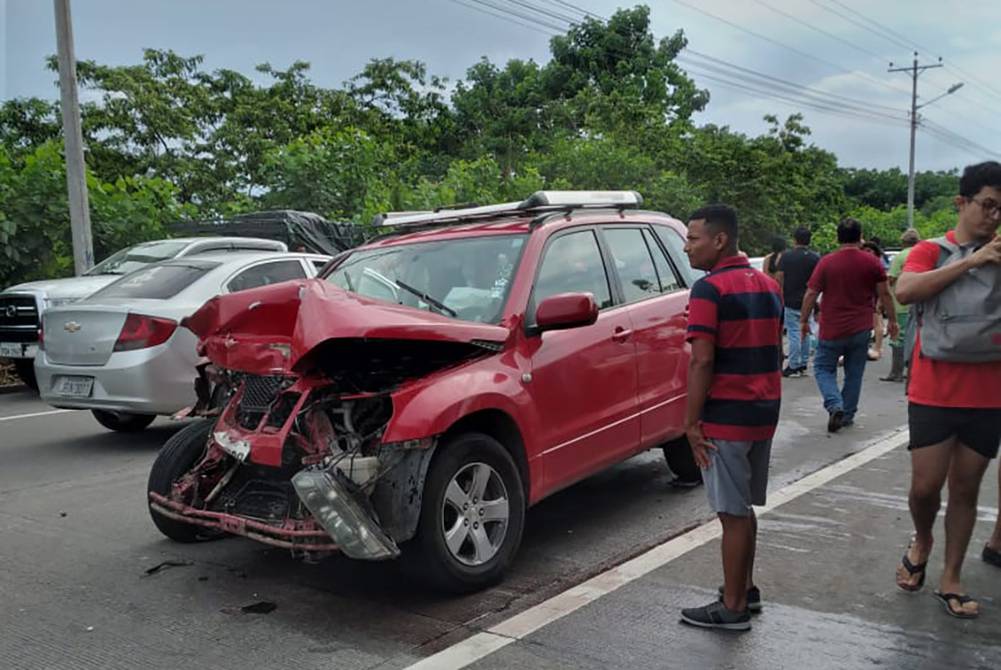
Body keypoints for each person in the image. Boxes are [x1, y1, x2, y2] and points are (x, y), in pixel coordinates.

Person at [893, 161, 1001, 619]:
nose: (993, 217)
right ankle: (922, 538)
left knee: (965, 489)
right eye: (987, 205)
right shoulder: (932, 251)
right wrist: (972, 260)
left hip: (988, 393)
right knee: (925, 487)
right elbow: (905, 291)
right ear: (962, 202)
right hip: (934, 389)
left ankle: (951, 577)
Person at [680, 204, 783, 631]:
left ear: (719, 240)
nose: (687, 247)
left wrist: (690, 423)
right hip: (764, 409)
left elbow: (702, 361)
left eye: (693, 238)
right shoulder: (768, 285)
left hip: (727, 414)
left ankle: (733, 607)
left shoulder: (708, 290)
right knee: (742, 508)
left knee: (731, 513)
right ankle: (745, 589)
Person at [799, 218, 898, 433]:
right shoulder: (872, 262)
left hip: (832, 327)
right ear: (860, 237)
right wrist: (893, 321)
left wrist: (804, 320)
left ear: (837, 237)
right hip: (861, 328)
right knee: (854, 373)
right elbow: (885, 294)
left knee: (823, 368)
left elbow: (811, 293)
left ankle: (835, 404)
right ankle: (847, 414)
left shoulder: (827, 262)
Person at [775, 226, 819, 377]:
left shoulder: (786, 257)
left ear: (794, 239)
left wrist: (780, 295)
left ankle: (793, 365)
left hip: (790, 300)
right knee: (805, 331)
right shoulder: (815, 257)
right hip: (808, 299)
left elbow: (779, 278)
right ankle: (803, 364)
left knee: (794, 333)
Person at [880, 228, 921, 382]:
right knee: (915, 337)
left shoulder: (901, 256)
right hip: (920, 303)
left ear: (903, 242)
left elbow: (891, 279)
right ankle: (912, 371)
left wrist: (882, 300)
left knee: (898, 336)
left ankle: (896, 372)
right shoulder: (922, 254)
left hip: (901, 303)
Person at [861, 241, 887, 362]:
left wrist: (880, 302)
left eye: (869, 251)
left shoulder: (877, 265)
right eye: (864, 251)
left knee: (877, 323)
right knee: (872, 324)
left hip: (875, 297)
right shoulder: (864, 264)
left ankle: (878, 348)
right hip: (866, 297)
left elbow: (883, 287)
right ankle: (871, 347)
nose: (867, 253)